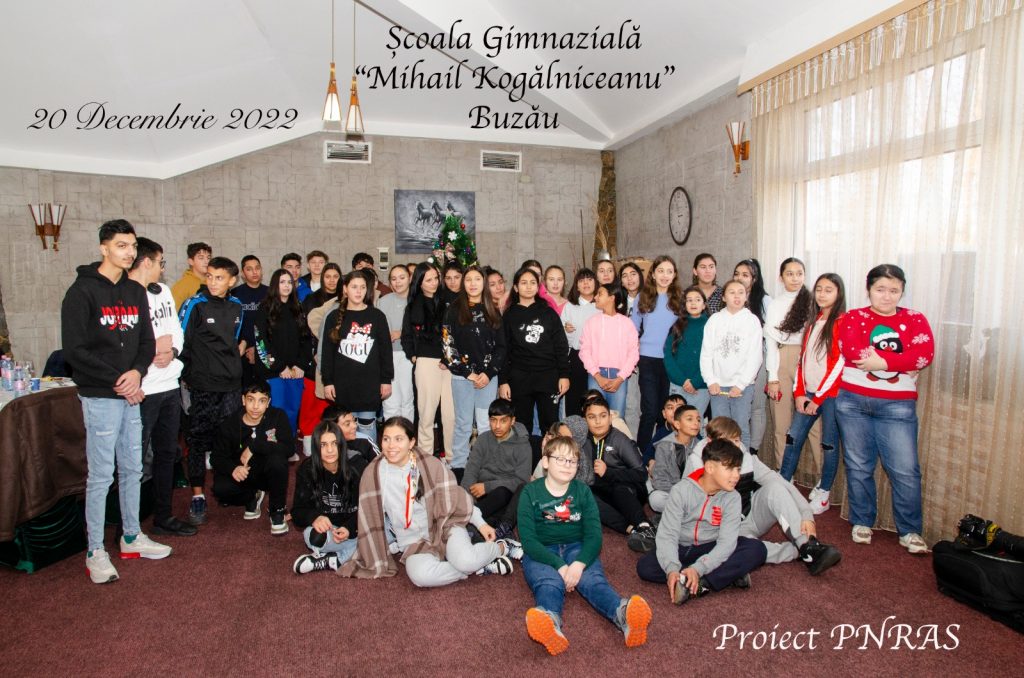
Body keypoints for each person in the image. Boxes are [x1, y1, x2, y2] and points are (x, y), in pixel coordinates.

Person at [61, 219, 171, 583]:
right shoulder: (81, 292)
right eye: (121, 245)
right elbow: (75, 351)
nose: (129, 252)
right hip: (101, 395)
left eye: (133, 246)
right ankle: (95, 550)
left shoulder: (135, 292)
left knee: (133, 468)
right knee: (101, 475)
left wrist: (137, 372)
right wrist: (120, 380)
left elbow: (146, 342)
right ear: (104, 248)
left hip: (131, 392)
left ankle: (131, 536)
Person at [338, 417, 519, 585]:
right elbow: (368, 513)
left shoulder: (429, 464)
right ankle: (476, 567)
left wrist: (480, 524)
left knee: (466, 560)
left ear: (411, 442)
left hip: (445, 524)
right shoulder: (374, 473)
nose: (391, 446)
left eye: (398, 439)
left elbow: (456, 497)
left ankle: (502, 548)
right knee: (420, 577)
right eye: (386, 439)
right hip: (413, 540)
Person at [519, 435, 652, 655]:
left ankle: (624, 615)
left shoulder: (582, 491)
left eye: (572, 461)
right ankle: (550, 623)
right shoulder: (529, 492)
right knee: (548, 583)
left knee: (593, 581)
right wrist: (560, 566)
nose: (567, 465)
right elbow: (528, 540)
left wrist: (579, 563)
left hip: (577, 546)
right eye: (560, 459)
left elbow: (594, 536)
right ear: (545, 462)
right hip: (541, 551)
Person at [836, 264, 934, 553]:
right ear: (869, 289)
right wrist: (902, 360)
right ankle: (862, 520)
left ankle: (910, 530)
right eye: (880, 289)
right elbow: (851, 350)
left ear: (902, 292)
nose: (887, 296)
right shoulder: (853, 317)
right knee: (858, 464)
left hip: (898, 405)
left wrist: (883, 362)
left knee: (905, 469)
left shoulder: (915, 319)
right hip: (852, 401)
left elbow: (924, 354)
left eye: (894, 290)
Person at [683, 417, 842, 576]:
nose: (735, 446)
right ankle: (796, 552)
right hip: (718, 530)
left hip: (748, 517)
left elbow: (780, 482)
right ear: (710, 442)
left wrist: (807, 514)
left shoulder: (746, 458)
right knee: (748, 550)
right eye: (727, 442)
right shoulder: (696, 464)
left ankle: (807, 546)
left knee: (775, 488)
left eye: (737, 440)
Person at [635, 439, 767, 604]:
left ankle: (700, 583)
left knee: (757, 549)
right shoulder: (681, 491)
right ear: (710, 467)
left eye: (738, 469)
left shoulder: (733, 498)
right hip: (682, 548)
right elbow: (668, 535)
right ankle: (725, 575)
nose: (736, 475)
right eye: (730, 468)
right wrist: (672, 569)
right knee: (645, 567)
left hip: (711, 547)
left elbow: (726, 543)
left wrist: (699, 568)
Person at [128, 237, 196, 537]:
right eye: (160, 262)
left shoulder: (163, 291)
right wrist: (151, 351)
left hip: (169, 384)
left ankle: (163, 516)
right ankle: (127, 525)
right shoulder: (124, 295)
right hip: (141, 390)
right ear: (146, 262)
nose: (162, 268)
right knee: (135, 459)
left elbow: (176, 331)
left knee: (167, 453)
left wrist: (174, 351)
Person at [179, 256, 245, 526]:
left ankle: (225, 487)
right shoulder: (194, 304)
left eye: (220, 278)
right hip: (203, 386)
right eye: (210, 276)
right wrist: (189, 377)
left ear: (232, 281)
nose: (213, 282)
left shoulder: (237, 306)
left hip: (231, 386)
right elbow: (180, 343)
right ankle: (197, 496)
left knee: (228, 439)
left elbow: (234, 340)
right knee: (197, 441)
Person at [779, 273, 847, 513]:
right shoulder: (813, 322)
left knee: (829, 444)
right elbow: (803, 360)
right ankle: (784, 481)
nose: (822, 294)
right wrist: (799, 393)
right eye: (819, 289)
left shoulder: (842, 322)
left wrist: (818, 399)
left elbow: (838, 364)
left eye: (829, 290)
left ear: (838, 293)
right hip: (807, 393)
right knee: (793, 437)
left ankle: (825, 491)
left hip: (830, 396)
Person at [443, 265, 507, 476]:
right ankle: (458, 466)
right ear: (464, 283)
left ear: (484, 282)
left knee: (486, 424)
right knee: (462, 424)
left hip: (487, 379)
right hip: (462, 378)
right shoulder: (453, 310)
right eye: (468, 279)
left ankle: (486, 466)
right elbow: (447, 346)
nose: (472, 284)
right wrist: (466, 373)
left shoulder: (492, 310)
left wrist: (488, 374)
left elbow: (501, 347)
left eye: (477, 279)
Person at [210, 380, 292, 535]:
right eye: (251, 399)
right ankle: (251, 497)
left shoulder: (277, 416)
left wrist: (254, 446)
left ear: (268, 402)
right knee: (220, 489)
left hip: (267, 470)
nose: (255, 406)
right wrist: (233, 469)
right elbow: (216, 457)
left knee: (278, 460)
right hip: (243, 473)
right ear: (243, 400)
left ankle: (277, 511)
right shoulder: (229, 424)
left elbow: (289, 448)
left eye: (262, 401)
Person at [321, 269, 394, 443]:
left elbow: (385, 351)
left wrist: (386, 380)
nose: (359, 291)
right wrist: (328, 381)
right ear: (345, 289)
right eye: (354, 287)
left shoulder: (377, 316)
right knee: (345, 429)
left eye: (362, 287)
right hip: (343, 385)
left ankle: (368, 459)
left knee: (367, 428)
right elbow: (327, 352)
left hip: (369, 385)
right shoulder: (333, 317)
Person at [499, 267, 570, 434]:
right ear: (516, 287)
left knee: (550, 425)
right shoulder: (509, 315)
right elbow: (503, 350)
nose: (529, 286)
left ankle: (549, 452)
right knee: (521, 426)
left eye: (533, 283)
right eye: (524, 283)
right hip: (519, 378)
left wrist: (564, 375)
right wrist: (503, 381)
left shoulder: (548, 312)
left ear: (538, 287)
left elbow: (561, 345)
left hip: (548, 376)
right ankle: (525, 453)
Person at [291, 420, 368, 573]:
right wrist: (314, 517)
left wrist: (350, 528)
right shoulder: (307, 469)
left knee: (385, 528)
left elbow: (368, 509)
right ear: (316, 447)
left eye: (334, 443)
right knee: (312, 537)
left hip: (357, 527)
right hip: (330, 532)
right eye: (323, 445)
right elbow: (297, 512)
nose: (330, 450)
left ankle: (334, 560)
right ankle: (361, 551)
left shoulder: (358, 466)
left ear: (341, 445)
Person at [580, 396, 655, 552]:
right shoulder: (583, 439)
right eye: (592, 417)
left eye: (602, 416)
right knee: (585, 496)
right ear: (585, 420)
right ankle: (631, 529)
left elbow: (641, 474)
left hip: (629, 491)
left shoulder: (620, 439)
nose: (598, 421)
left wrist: (609, 472)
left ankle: (645, 526)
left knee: (619, 488)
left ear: (610, 417)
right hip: (602, 491)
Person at [764, 258, 815, 467]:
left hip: (809, 359)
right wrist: (772, 377)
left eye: (799, 273)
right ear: (781, 277)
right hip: (782, 359)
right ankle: (783, 472)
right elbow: (771, 342)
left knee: (814, 422)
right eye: (790, 274)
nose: (795, 278)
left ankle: (820, 478)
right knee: (781, 422)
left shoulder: (813, 301)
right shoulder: (775, 304)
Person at [700, 280, 762, 448]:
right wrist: (710, 380)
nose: (737, 296)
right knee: (720, 430)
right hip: (718, 386)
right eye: (732, 292)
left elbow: (755, 357)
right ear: (723, 297)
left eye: (741, 292)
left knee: (741, 429)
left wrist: (741, 384)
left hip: (742, 386)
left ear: (746, 296)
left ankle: (743, 464)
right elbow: (706, 353)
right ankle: (721, 463)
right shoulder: (714, 320)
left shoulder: (752, 320)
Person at [402, 262, 455, 458]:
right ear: (419, 282)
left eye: (436, 278)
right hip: (425, 362)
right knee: (426, 414)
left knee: (450, 415)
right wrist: (413, 355)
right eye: (428, 280)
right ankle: (425, 458)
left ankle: (452, 458)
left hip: (450, 363)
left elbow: (456, 332)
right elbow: (407, 335)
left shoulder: (449, 301)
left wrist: (449, 358)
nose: (434, 283)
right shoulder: (413, 305)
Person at [632, 255, 684, 451]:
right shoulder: (643, 297)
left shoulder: (679, 299)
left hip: (671, 360)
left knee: (667, 410)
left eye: (669, 271)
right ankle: (642, 454)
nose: (665, 275)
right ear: (653, 274)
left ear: (674, 275)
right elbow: (633, 329)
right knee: (650, 410)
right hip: (647, 359)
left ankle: (663, 453)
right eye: (661, 271)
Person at [253, 269, 313, 436]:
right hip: (273, 373)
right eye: (282, 282)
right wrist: (280, 367)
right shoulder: (264, 308)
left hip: (295, 372)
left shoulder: (298, 308)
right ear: (275, 285)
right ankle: (273, 445)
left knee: (293, 411)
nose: (286, 286)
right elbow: (261, 343)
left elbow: (306, 339)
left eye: (289, 282)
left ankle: (289, 444)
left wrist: (301, 365)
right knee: (276, 411)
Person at [461, 398, 532, 525]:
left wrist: (487, 487)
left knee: (501, 493)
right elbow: (471, 469)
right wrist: (468, 498)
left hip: (505, 494)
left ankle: (470, 519)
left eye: (503, 421)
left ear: (512, 421)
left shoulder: (523, 445)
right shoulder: (483, 439)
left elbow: (522, 480)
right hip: (479, 490)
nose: (497, 426)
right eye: (493, 420)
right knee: (456, 473)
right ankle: (468, 512)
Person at [579, 282, 639, 416]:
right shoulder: (591, 322)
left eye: (600, 294)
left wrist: (620, 378)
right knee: (594, 415)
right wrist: (597, 376)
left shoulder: (627, 323)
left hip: (619, 376)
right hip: (595, 375)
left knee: (617, 417)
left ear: (612, 298)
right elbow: (584, 351)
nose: (595, 297)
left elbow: (634, 353)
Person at [732, 258, 770, 454]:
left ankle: (753, 450)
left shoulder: (764, 301)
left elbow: (770, 336)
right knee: (737, 405)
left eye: (745, 275)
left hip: (758, 358)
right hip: (734, 359)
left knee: (756, 406)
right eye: (737, 274)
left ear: (754, 279)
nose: (740, 278)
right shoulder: (731, 298)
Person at [663, 285, 710, 422]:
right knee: (677, 423)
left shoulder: (711, 326)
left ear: (704, 305)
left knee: (695, 424)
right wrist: (682, 381)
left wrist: (696, 382)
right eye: (689, 300)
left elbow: (714, 358)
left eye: (697, 300)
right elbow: (668, 356)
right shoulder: (677, 325)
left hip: (700, 386)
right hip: (678, 384)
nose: (693, 303)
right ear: (684, 305)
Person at [377, 265, 415, 420]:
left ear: (410, 278)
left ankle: (407, 432)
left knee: (407, 399)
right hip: (387, 355)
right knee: (390, 399)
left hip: (409, 356)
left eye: (402, 278)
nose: (398, 282)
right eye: (393, 279)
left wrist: (401, 333)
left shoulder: (416, 300)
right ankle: (391, 432)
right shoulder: (383, 301)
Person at [560, 267, 599, 417]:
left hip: (599, 357)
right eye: (581, 280)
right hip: (577, 357)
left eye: (589, 279)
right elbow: (561, 338)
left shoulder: (601, 304)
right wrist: (567, 330)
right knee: (575, 399)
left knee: (595, 400)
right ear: (576, 286)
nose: (586, 283)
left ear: (596, 283)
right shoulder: (569, 306)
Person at [648, 404, 701, 512]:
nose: (696, 423)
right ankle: (688, 512)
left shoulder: (701, 446)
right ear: (677, 424)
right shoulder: (664, 445)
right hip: (671, 492)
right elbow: (660, 479)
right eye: (690, 419)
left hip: (694, 493)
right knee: (656, 499)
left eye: (698, 419)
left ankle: (682, 513)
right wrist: (680, 494)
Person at [618, 262, 645, 439]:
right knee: (630, 404)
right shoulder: (617, 302)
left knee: (646, 405)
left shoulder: (650, 299)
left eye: (633, 274)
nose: (630, 279)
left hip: (647, 357)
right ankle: (630, 441)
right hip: (624, 360)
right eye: (625, 275)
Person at [233, 255, 269, 387]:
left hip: (266, 351)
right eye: (249, 269)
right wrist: (247, 345)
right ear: (243, 273)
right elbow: (234, 325)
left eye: (257, 268)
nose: (254, 272)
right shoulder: (234, 294)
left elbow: (273, 325)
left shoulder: (270, 293)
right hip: (242, 351)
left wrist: (258, 349)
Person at [171, 242, 211, 309]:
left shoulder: (213, 282)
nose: (206, 261)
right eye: (201, 258)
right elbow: (174, 312)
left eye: (208, 258)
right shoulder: (182, 286)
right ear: (191, 261)